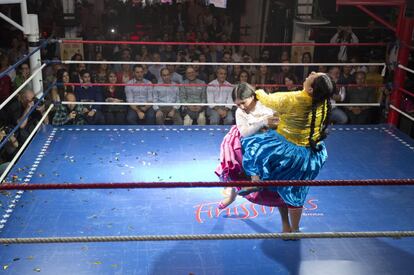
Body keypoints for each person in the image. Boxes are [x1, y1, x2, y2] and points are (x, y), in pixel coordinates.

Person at [216, 72, 333, 233]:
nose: (310, 74)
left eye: (313, 76)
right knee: (235, 164)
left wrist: (257, 93)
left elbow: (270, 103)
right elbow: (243, 132)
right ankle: (236, 193)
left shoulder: (293, 99)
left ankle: (256, 183)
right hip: (311, 154)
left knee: (258, 157)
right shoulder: (323, 101)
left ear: (312, 89)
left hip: (283, 149)